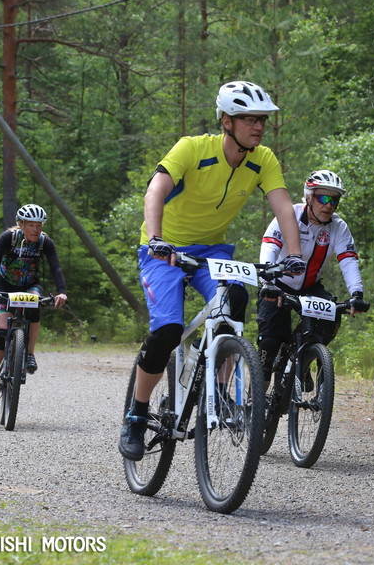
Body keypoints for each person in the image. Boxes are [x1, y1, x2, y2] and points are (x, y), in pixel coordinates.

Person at [119, 80, 305, 461]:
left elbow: (283, 207)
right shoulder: (192, 148)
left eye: (262, 120)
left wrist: (296, 253)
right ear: (226, 121)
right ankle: (136, 414)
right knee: (168, 329)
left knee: (235, 297)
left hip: (213, 253)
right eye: (248, 119)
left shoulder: (262, 159)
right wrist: (156, 239)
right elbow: (155, 190)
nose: (258, 126)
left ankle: (221, 393)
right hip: (164, 248)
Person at [256, 170, 368, 378]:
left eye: (334, 200)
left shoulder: (338, 227)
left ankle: (302, 358)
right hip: (278, 284)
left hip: (310, 286)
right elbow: (270, 246)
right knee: (270, 343)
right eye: (323, 197)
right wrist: (266, 281)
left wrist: (357, 294)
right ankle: (256, 403)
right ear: (308, 197)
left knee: (331, 316)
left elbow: (348, 260)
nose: (329, 205)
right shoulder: (289, 215)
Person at [0, 204, 68, 401]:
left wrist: (62, 292)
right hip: (5, 285)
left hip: (30, 286)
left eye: (39, 226)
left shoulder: (45, 243)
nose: (36, 230)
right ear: (21, 225)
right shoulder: (8, 238)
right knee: (2, 334)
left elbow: (56, 268)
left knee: (35, 306)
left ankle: (29, 354)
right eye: (31, 225)